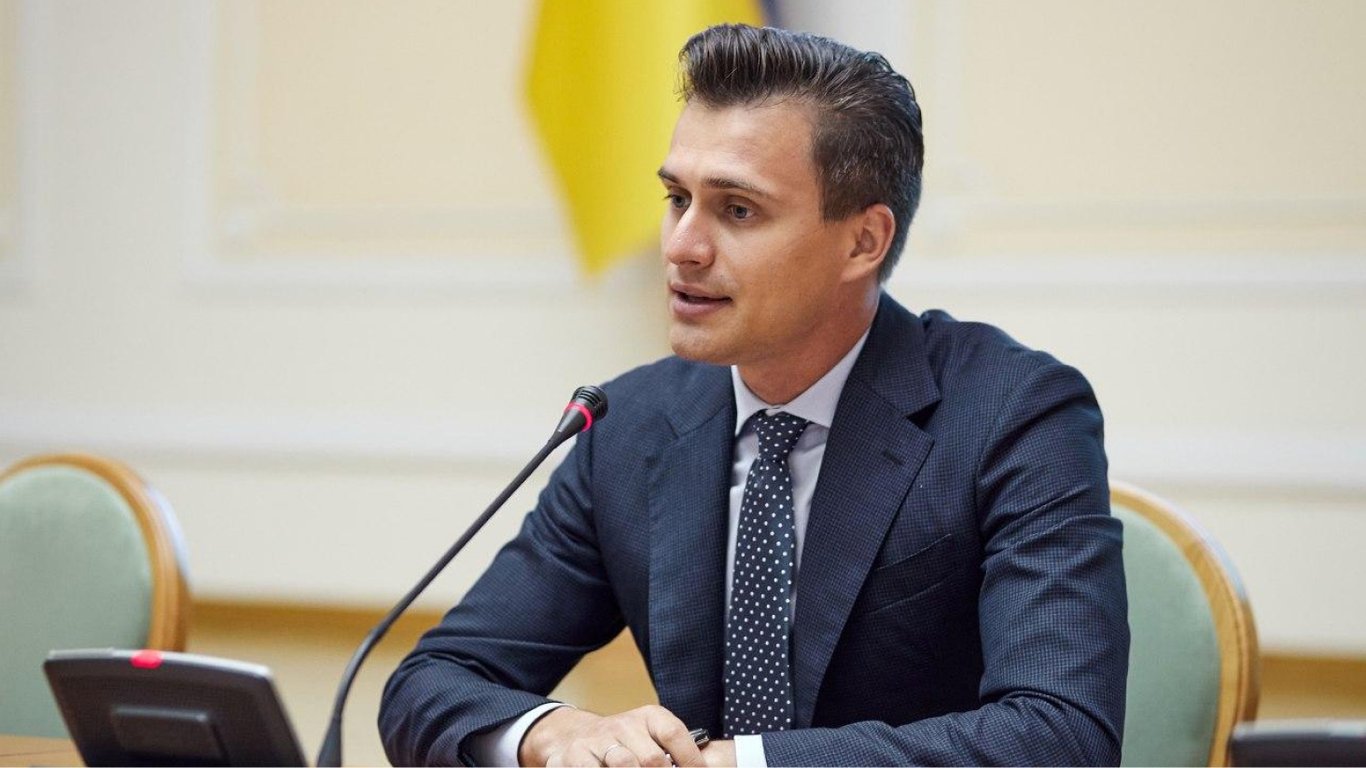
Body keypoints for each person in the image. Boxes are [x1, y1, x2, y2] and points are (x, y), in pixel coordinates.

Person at [380, 23, 1128, 767]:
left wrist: (740, 764)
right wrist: (555, 732)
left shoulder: (1012, 414)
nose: (681, 246)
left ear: (863, 242)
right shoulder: (629, 425)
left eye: (737, 210)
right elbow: (433, 682)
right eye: (677, 198)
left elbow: (1061, 734)